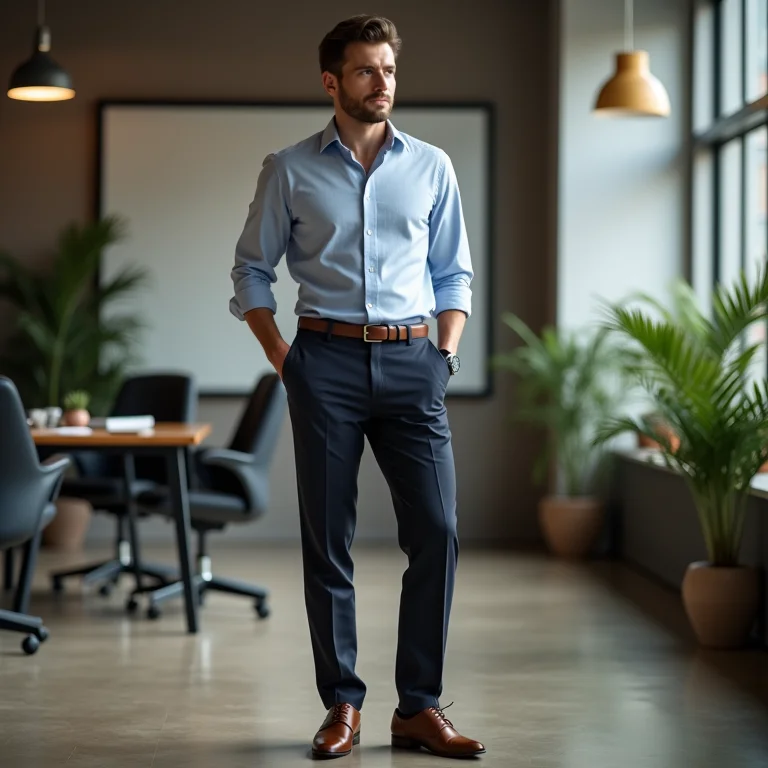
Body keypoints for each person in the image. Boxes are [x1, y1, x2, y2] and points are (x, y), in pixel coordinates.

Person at [229, 14, 485, 761]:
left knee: (437, 531)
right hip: (326, 364)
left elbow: (455, 273)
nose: (383, 83)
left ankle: (419, 707)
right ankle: (343, 703)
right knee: (328, 542)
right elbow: (250, 270)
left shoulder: (432, 166)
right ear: (331, 82)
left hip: (414, 364)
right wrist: (284, 356)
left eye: (390, 70)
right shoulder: (289, 168)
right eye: (367, 71)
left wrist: (445, 353)